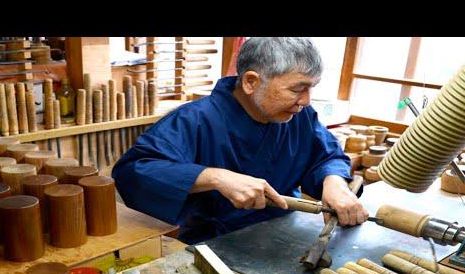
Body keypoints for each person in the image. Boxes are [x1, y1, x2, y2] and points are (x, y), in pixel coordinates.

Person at [112, 37, 369, 244]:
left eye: (311, 88)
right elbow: (133, 172)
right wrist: (214, 177)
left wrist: (333, 182)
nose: (306, 101)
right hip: (210, 244)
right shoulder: (194, 120)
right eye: (296, 89)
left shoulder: (298, 117)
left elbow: (327, 156)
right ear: (250, 82)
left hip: (280, 234)